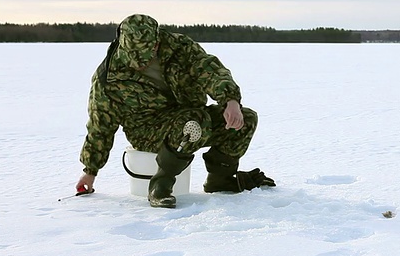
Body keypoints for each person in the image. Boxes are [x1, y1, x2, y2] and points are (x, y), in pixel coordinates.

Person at [76, 14, 275, 208]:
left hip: (193, 119)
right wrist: (90, 170)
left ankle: (220, 179)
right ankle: (160, 185)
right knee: (193, 122)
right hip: (147, 130)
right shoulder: (108, 78)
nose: (139, 62)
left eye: (145, 54)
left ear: (156, 42)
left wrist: (230, 100)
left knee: (245, 120)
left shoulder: (178, 47)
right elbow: (100, 125)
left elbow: (208, 69)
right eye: (133, 55)